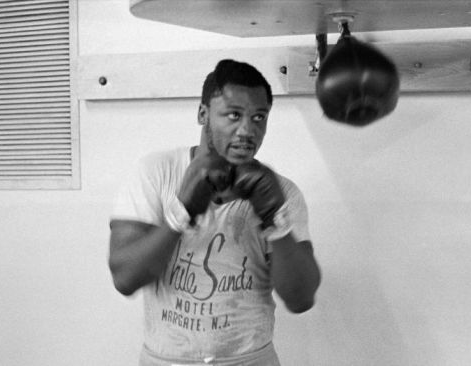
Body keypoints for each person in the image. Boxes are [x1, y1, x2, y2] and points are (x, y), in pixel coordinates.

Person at [108, 59, 321, 366]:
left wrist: (277, 222)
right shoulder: (157, 173)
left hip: (251, 359)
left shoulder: (282, 193)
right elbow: (125, 278)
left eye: (259, 117)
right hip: (167, 360)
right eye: (233, 115)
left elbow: (301, 299)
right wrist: (179, 212)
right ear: (203, 114)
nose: (247, 130)